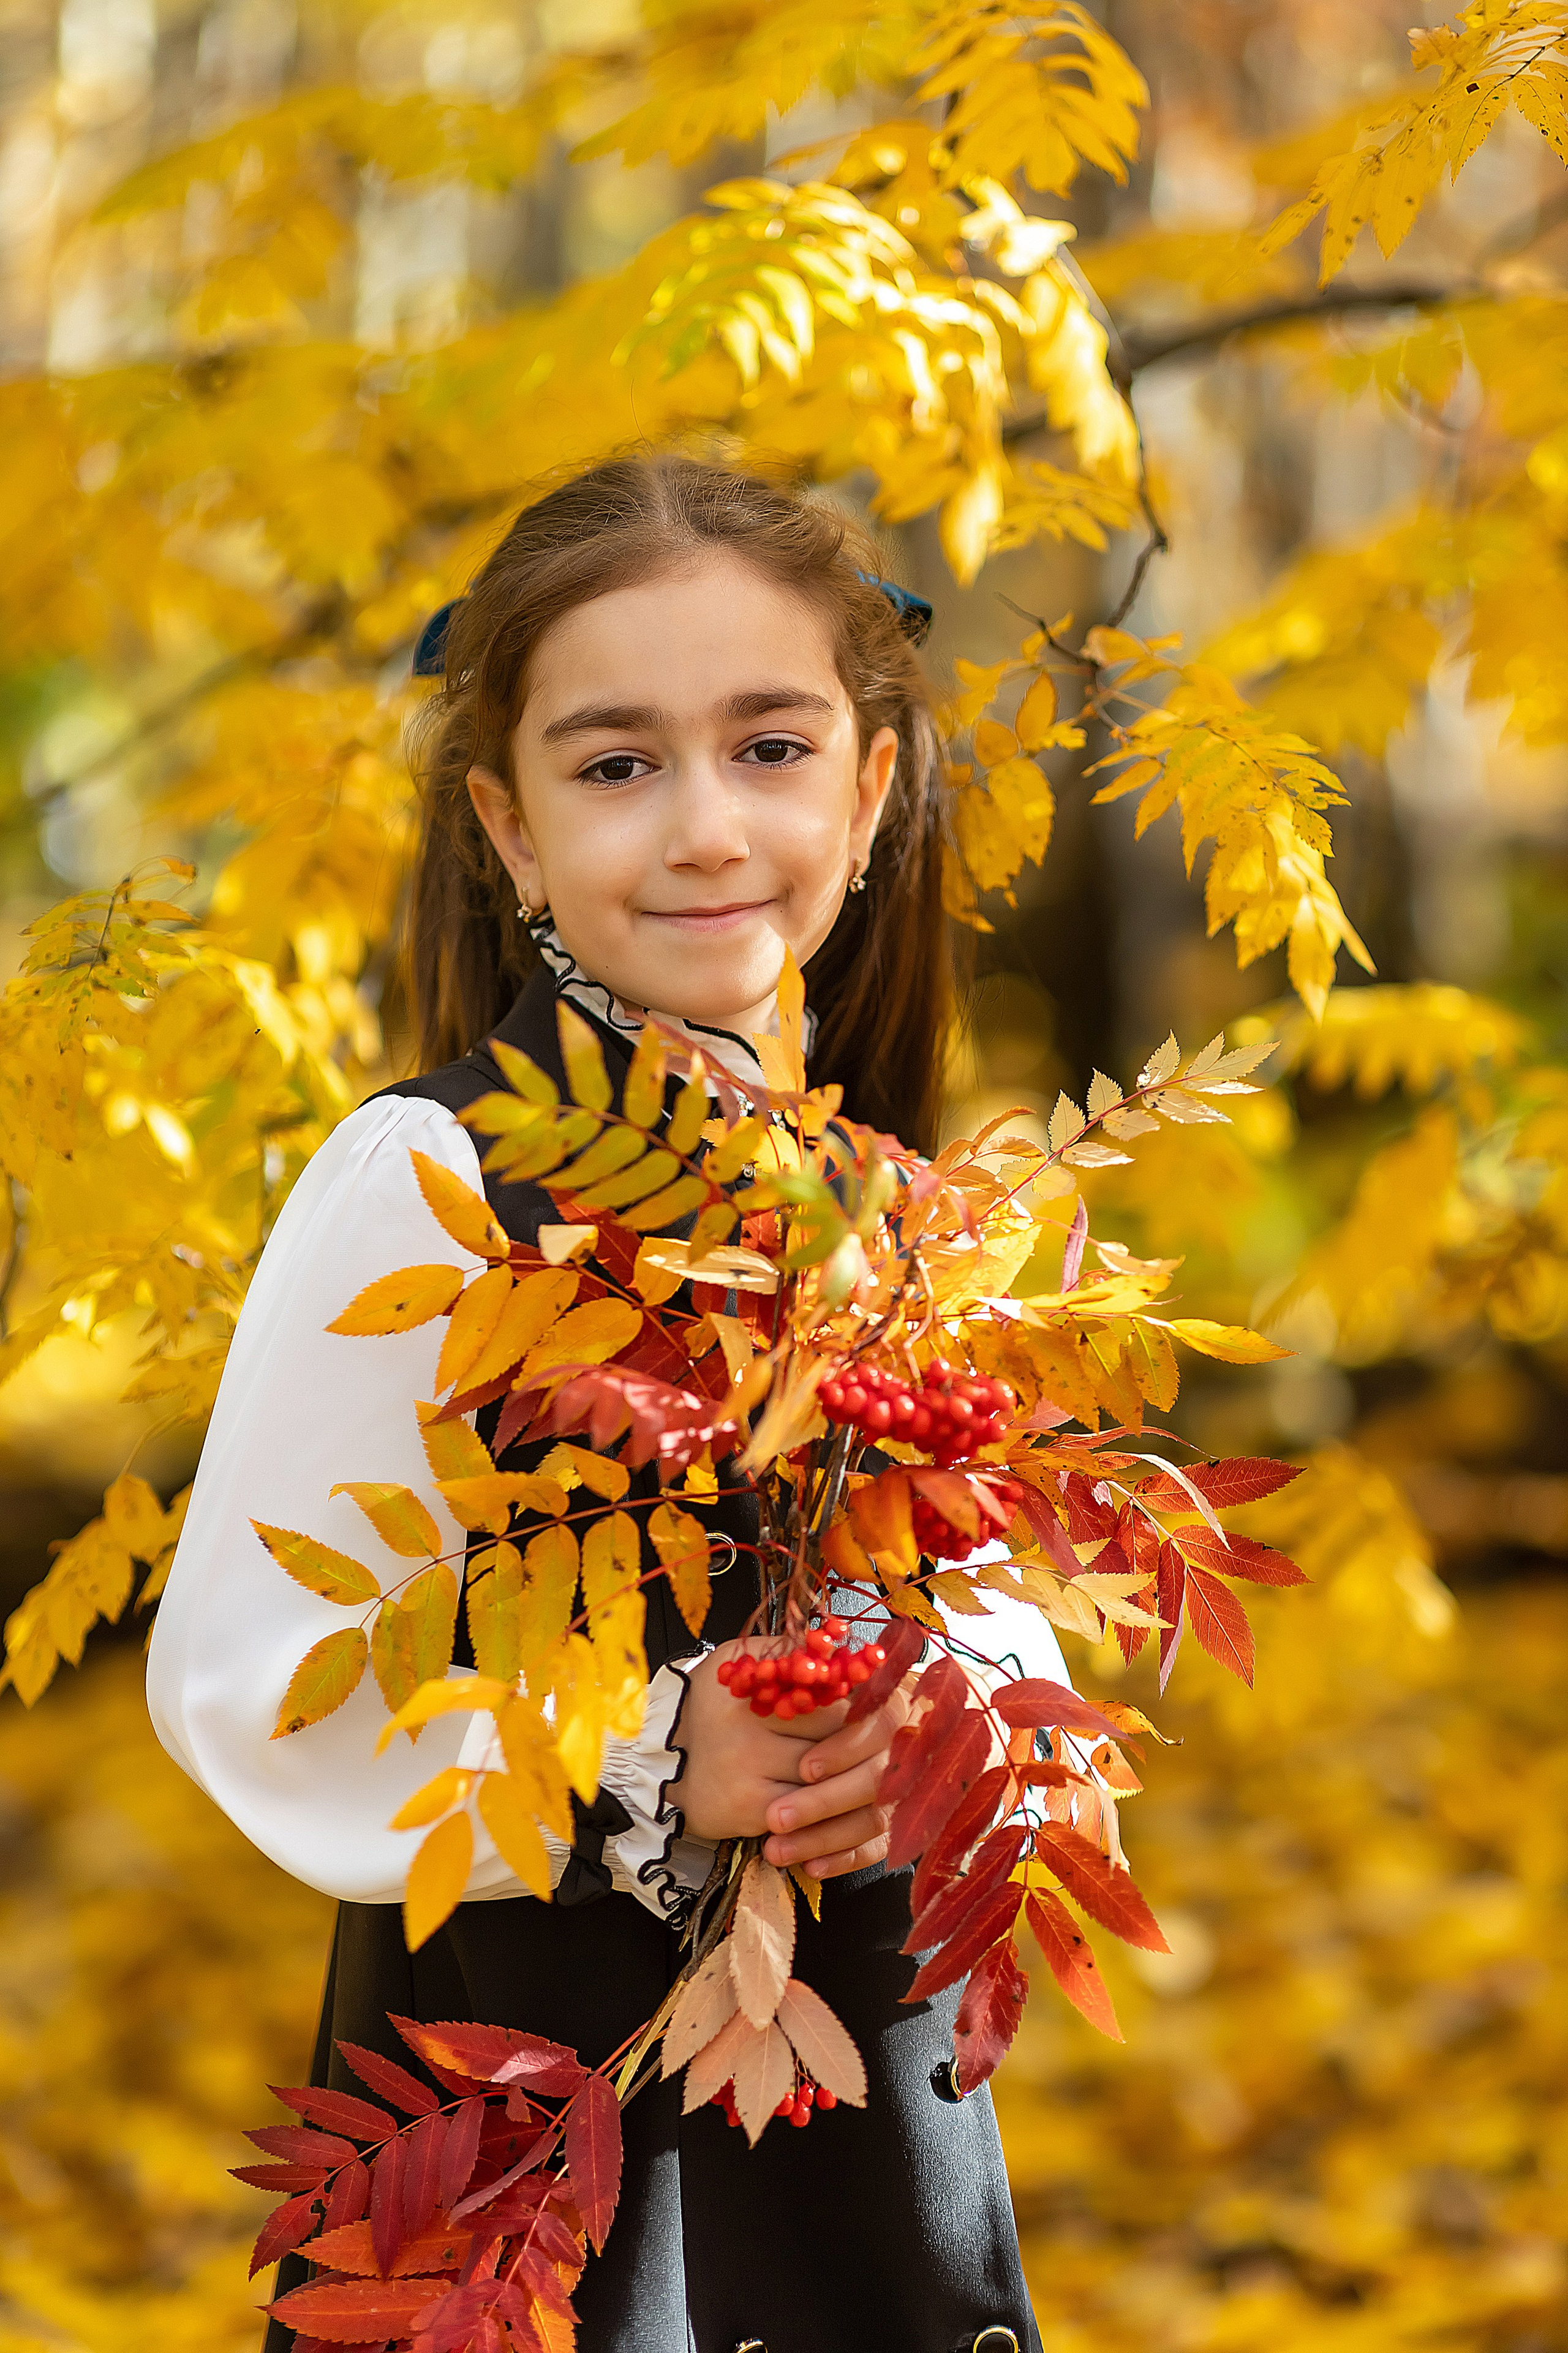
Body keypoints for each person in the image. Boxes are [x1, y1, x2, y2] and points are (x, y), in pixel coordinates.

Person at [148, 454, 1068, 2353]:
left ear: (870, 788)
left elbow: (990, 1603)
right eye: (617, 763)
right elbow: (249, 1667)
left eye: (771, 747)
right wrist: (648, 1769)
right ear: (509, 824)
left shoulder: (899, 1202)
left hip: (850, 2086)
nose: (710, 827)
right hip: (532, 2102)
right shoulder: (432, 1181)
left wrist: (936, 1737)